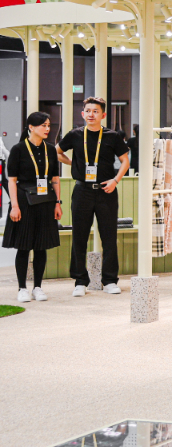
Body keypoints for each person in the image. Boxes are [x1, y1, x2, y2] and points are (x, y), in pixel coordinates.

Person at [57, 97, 130, 297]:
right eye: (88, 111)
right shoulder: (74, 134)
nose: (91, 114)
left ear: (103, 115)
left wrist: (115, 180)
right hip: (82, 190)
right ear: (82, 114)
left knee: (109, 236)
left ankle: (109, 280)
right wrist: (74, 164)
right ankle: (80, 280)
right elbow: (57, 151)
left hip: (107, 190)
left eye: (95, 111)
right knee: (79, 235)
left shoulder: (112, 136)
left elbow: (125, 161)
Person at [5, 112, 62, 303]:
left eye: (48, 125)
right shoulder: (18, 149)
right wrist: (14, 205)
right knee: (23, 246)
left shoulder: (51, 150)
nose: (47, 129)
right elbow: (11, 181)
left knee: (41, 246)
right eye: (43, 125)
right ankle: (22, 287)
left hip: (45, 201)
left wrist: (58, 203)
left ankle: (38, 287)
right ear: (31, 127)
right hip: (23, 201)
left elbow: (55, 179)